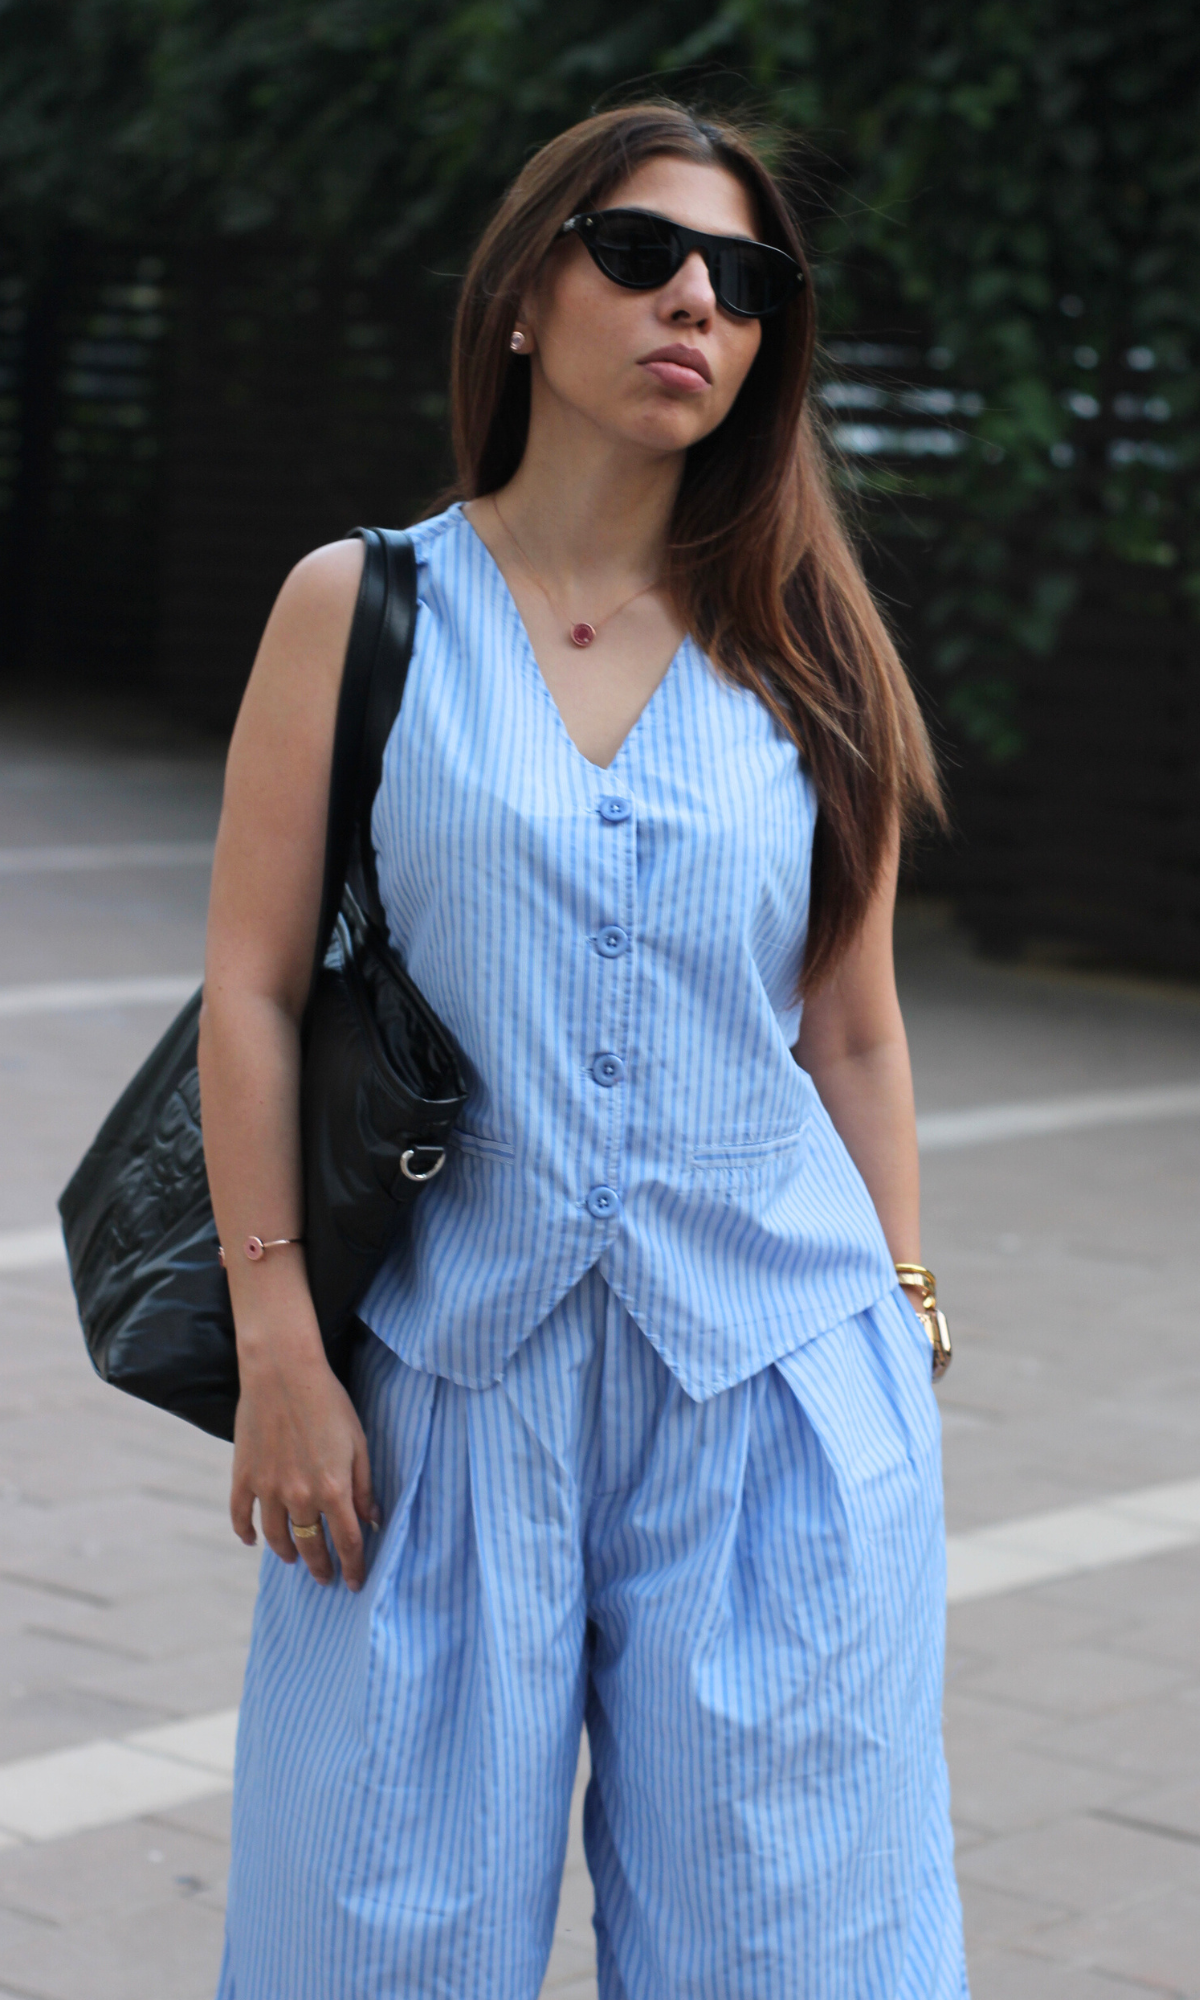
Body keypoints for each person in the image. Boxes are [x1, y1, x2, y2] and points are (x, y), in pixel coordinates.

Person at [200, 100, 968, 2000]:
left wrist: (906, 1330)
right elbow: (253, 988)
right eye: (642, 252)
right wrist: (278, 1347)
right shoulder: (361, 607)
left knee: (795, 1953)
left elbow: (855, 1032)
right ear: (528, 294)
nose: (697, 299)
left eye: (747, 282)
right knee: (365, 1943)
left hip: (773, 1401)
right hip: (436, 1399)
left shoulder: (812, 647)